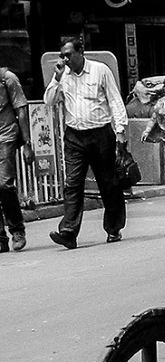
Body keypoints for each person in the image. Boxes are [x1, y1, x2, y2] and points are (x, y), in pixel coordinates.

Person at [44, 39, 128, 249]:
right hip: (74, 137)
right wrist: (56, 79)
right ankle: (69, 232)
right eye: (63, 55)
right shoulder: (63, 76)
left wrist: (120, 131)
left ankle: (113, 227)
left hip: (100, 134)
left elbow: (115, 100)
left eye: (69, 55)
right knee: (72, 184)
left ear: (81, 52)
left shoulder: (100, 70)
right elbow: (49, 101)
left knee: (108, 183)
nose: (66, 59)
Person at [0, 66, 35, 254]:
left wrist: (27, 143)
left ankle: (17, 230)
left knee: (4, 184)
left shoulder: (8, 79)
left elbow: (22, 110)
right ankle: (0, 238)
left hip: (5, 136)